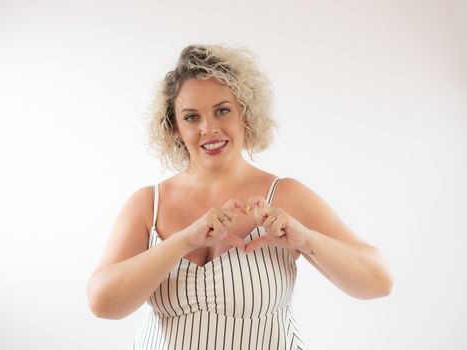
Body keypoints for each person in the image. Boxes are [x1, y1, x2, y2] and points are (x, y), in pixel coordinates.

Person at [86, 44, 393, 349]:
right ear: (175, 127)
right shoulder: (147, 204)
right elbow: (103, 303)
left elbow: (378, 281)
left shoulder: (284, 196)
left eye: (222, 110)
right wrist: (183, 241)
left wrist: (305, 240)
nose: (209, 129)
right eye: (192, 117)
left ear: (244, 113)